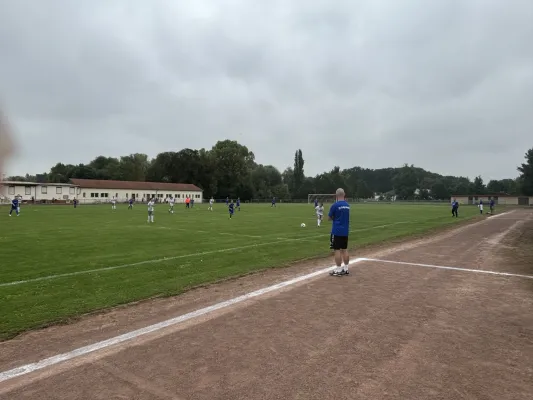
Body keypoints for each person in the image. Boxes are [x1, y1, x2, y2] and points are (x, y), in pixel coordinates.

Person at [328, 188, 350, 276]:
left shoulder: (335, 205)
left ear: (336, 195)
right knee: (344, 249)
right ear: (344, 194)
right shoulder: (347, 205)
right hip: (345, 231)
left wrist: (334, 218)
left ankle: (338, 269)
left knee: (337, 250)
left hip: (337, 231)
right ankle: (346, 268)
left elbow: (329, 218)